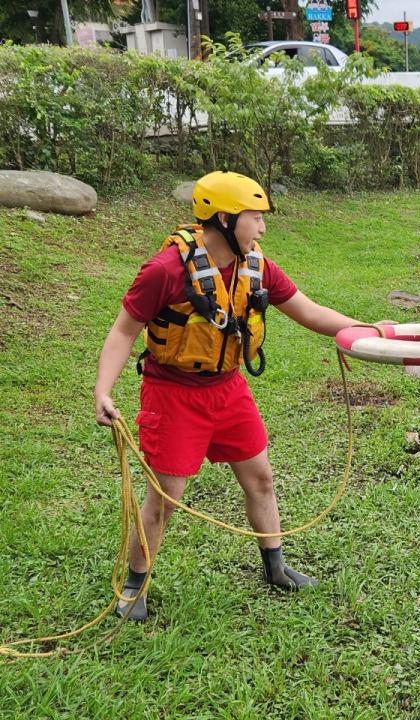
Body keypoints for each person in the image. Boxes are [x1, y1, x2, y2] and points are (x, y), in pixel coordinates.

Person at [94, 170, 386, 622]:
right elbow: (122, 332)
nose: (264, 227)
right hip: (172, 394)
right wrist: (103, 391)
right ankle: (134, 586)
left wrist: (368, 329)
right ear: (226, 219)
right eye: (257, 217)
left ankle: (276, 567)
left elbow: (307, 310)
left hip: (229, 388)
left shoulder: (256, 265)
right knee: (165, 496)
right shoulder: (165, 270)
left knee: (261, 478)